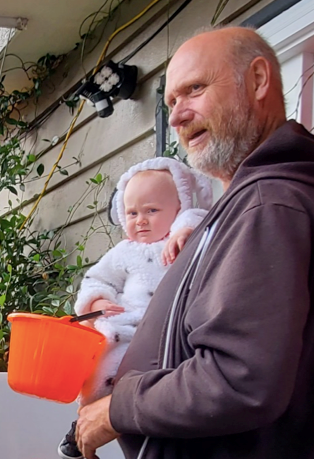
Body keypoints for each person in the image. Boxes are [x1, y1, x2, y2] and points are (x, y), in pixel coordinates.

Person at [74, 26, 314, 459]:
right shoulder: (249, 200)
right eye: (172, 102)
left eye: (194, 90)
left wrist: (117, 409)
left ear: (257, 80)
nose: (176, 116)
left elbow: (239, 378)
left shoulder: (268, 204)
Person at [58, 157, 213, 459]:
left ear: (177, 209)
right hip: (127, 327)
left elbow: (200, 220)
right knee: (102, 372)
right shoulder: (124, 252)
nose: (140, 220)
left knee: (153, 387)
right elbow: (96, 278)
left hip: (168, 333)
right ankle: (81, 427)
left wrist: (183, 232)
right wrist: (98, 301)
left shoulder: (185, 239)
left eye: (152, 211)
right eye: (132, 213)